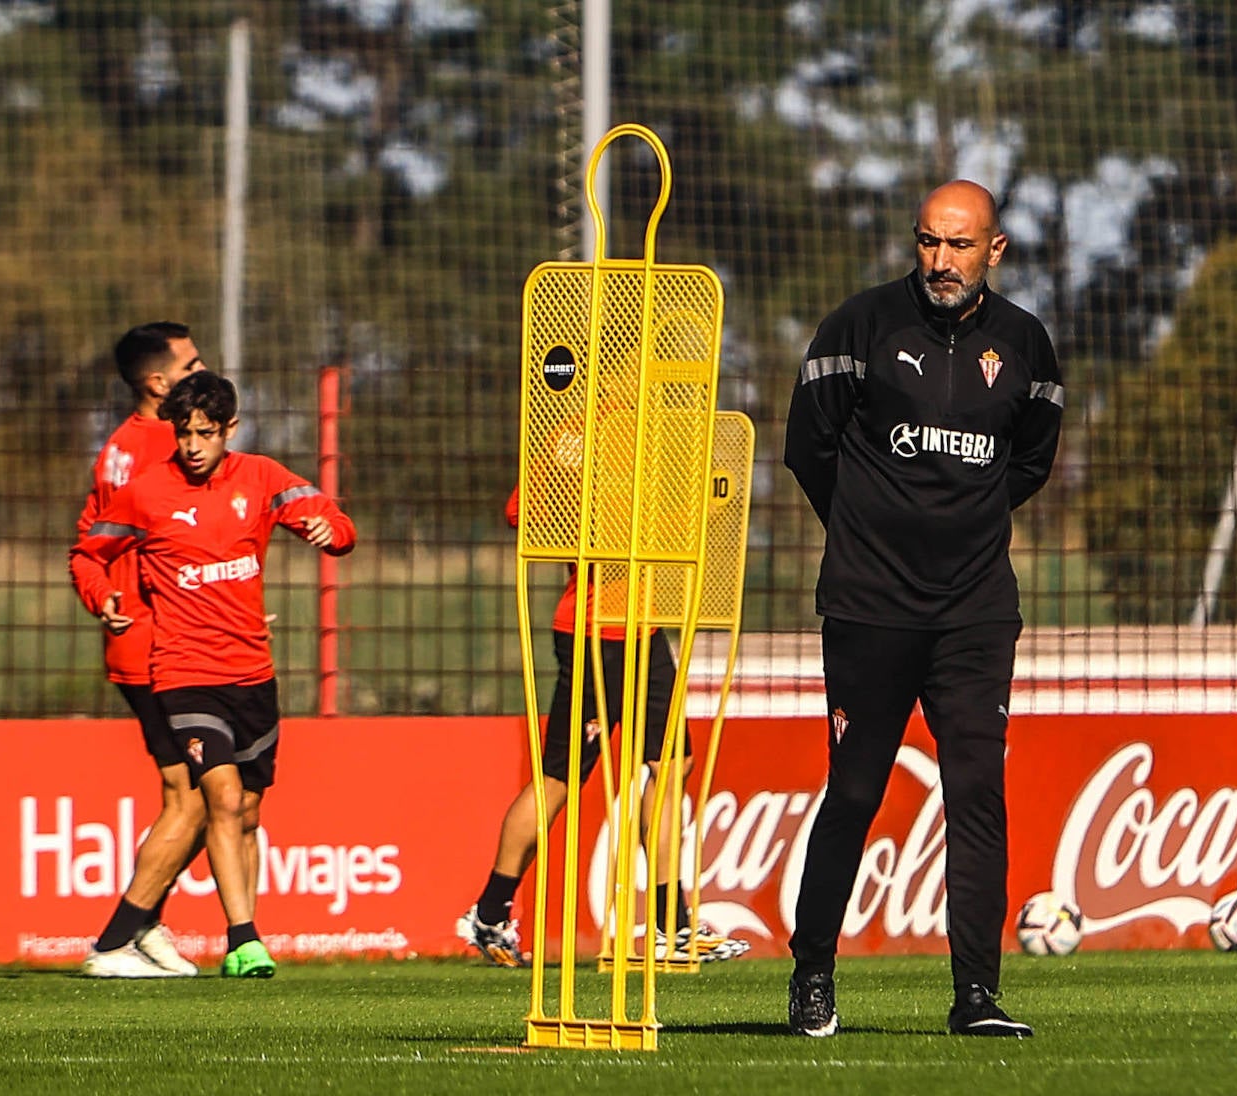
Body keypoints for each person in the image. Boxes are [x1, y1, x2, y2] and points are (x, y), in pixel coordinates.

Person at [783, 180, 1063, 1038]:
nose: (941, 260)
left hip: (976, 612)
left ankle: (976, 995)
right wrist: (872, 533)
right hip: (869, 609)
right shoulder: (858, 327)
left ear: (995, 250)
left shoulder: (1026, 344)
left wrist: (956, 532)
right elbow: (808, 447)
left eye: (960, 245)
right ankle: (813, 975)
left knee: (977, 792)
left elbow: (1027, 465)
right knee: (856, 791)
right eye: (928, 242)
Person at [70, 371, 357, 978]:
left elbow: (329, 517)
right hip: (182, 671)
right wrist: (101, 596)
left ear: (230, 428)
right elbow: (89, 551)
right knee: (219, 796)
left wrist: (334, 533)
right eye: (184, 433)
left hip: (252, 670)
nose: (194, 445)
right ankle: (243, 938)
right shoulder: (146, 491)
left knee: (248, 808)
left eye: (206, 432)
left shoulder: (261, 478)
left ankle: (145, 931)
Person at [455, 487, 750, 967]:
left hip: (645, 625)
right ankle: (489, 914)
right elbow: (519, 512)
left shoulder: (645, 435)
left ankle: (671, 923)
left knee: (673, 762)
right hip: (598, 629)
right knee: (559, 778)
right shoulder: (587, 433)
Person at [72, 321, 209, 978]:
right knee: (199, 798)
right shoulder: (162, 449)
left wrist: (99, 596)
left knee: (203, 794)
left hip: (152, 637)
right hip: (160, 643)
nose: (204, 369)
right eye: (192, 363)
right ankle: (116, 940)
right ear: (160, 383)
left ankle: (146, 924)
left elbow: (86, 535)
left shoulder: (121, 444)